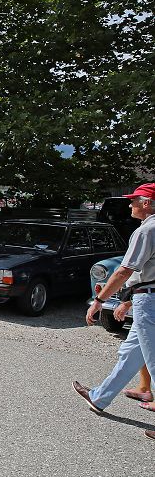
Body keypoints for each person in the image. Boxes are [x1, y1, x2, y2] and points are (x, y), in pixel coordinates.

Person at [73, 182, 155, 440]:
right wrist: (131, 300)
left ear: (146, 203)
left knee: (154, 361)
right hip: (147, 297)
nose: (130, 205)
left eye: (134, 200)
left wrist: (99, 299)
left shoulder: (147, 230)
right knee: (130, 354)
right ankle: (100, 397)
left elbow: (124, 270)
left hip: (149, 301)